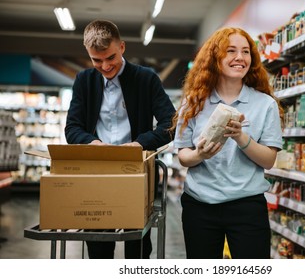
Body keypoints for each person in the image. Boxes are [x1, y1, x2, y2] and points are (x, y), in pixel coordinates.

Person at [65, 19, 175, 259]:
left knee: (137, 247)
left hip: (138, 172)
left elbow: (171, 124)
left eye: (110, 58)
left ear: (122, 47)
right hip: (96, 173)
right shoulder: (84, 81)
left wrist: (139, 144)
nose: (105, 66)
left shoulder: (146, 79)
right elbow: (72, 128)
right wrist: (93, 144)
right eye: (97, 60)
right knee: (98, 246)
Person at [171, 27, 284, 259]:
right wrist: (200, 154)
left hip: (247, 206)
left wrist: (242, 138)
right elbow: (183, 155)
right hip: (200, 204)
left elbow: (269, 160)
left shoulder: (265, 104)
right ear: (215, 57)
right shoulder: (194, 103)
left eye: (245, 51)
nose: (239, 58)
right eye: (230, 51)